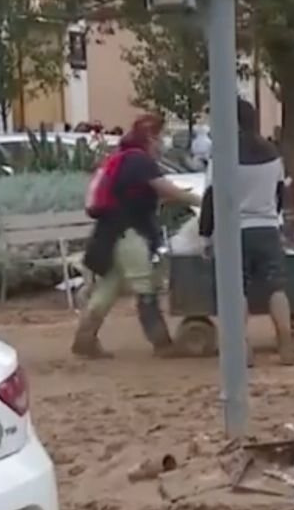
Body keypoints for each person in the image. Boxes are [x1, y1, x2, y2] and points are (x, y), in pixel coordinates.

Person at [73, 115, 200, 358]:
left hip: (112, 232)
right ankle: (161, 343)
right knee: (146, 286)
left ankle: (84, 340)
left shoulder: (124, 158)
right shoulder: (139, 161)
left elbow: (146, 193)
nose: (163, 142)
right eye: (161, 136)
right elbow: (164, 189)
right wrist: (199, 200)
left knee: (109, 287)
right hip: (130, 233)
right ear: (151, 137)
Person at [205, 99, 294, 365]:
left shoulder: (222, 155)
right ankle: (286, 345)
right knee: (276, 287)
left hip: (234, 233)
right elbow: (280, 195)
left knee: (236, 290)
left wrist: (205, 235)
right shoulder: (272, 153)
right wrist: (273, 217)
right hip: (267, 229)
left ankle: (242, 348)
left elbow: (212, 199)